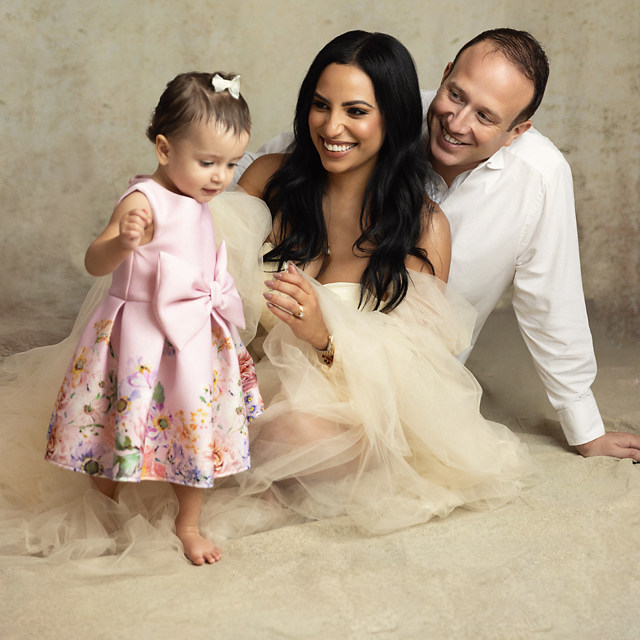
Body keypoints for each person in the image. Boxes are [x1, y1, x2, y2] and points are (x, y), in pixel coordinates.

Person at [237, 29, 640, 461]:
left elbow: (552, 300)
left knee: (290, 432)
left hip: (401, 376)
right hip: (274, 363)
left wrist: (585, 428)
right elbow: (304, 151)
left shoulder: (537, 177)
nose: (457, 123)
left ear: (517, 131)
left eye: (485, 116)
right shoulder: (387, 106)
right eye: (455, 95)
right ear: (445, 74)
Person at [200, 31, 539, 541]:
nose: (331, 127)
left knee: (284, 430)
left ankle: (232, 458)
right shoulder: (271, 181)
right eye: (321, 105)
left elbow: (417, 371)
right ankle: (229, 455)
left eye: (355, 111)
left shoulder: (424, 227)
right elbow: (203, 269)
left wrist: (324, 333)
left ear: (393, 118)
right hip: (251, 385)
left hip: (356, 416)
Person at [43, 71, 265, 565]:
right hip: (140, 336)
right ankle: (104, 505)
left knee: (193, 422)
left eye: (231, 164)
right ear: (165, 149)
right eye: (208, 162)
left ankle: (188, 523)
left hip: (192, 335)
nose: (220, 177)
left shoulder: (197, 197)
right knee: (117, 421)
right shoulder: (143, 199)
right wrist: (122, 242)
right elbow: (94, 261)